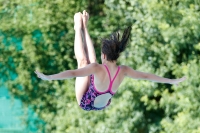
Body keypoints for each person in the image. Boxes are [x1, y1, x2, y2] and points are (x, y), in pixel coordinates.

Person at [35, 10, 186, 111]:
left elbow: (74, 72)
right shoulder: (123, 70)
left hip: (86, 102)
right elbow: (146, 76)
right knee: (91, 63)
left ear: (105, 56)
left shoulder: (99, 68)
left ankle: (77, 28)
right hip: (102, 104)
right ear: (116, 56)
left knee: (84, 63)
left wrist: (50, 77)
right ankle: (84, 27)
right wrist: (170, 81)